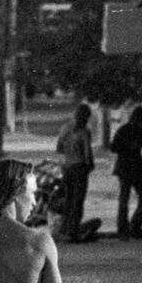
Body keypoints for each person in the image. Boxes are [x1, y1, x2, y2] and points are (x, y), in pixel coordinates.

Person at [55, 102, 95, 242]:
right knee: (78, 201)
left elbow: (59, 148)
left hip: (67, 167)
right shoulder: (84, 131)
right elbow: (87, 153)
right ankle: (73, 232)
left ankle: (64, 230)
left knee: (69, 200)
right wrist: (90, 165)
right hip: (80, 168)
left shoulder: (65, 128)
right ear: (86, 117)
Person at [109, 104, 142, 239]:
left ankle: (131, 227)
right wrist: (129, 146)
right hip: (128, 168)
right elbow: (114, 147)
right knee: (127, 199)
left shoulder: (137, 130)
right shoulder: (124, 130)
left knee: (139, 199)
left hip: (131, 168)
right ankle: (127, 228)